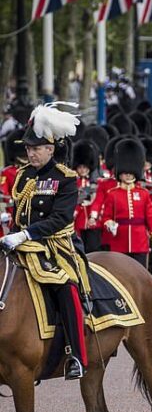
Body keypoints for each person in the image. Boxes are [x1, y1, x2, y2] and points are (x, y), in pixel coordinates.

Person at [1, 103, 89, 380]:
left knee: (66, 286)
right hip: (21, 244)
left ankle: (77, 354)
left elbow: (60, 219)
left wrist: (26, 234)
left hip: (55, 246)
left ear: (50, 149)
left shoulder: (64, 178)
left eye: (36, 148)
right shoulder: (23, 177)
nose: (31, 153)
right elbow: (19, 212)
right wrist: (13, 233)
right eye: (28, 149)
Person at [101, 138, 152, 267]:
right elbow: (106, 217)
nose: (128, 175)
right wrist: (110, 224)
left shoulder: (143, 193)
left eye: (131, 172)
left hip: (140, 242)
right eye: (125, 173)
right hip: (119, 242)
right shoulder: (113, 194)